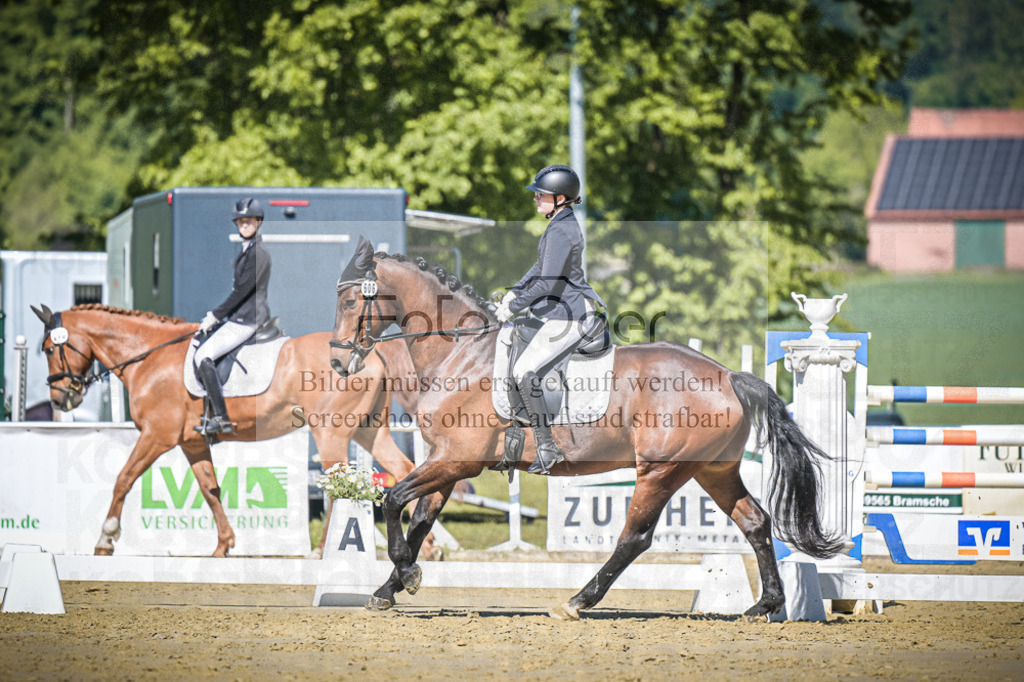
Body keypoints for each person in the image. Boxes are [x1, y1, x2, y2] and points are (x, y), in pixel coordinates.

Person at [494, 165, 605, 474]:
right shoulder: (559, 224)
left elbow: (546, 284)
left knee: (523, 369)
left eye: (540, 195)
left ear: (559, 198)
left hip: (570, 315)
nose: (536, 199)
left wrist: (513, 306)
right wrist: (513, 292)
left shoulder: (562, 229)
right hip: (558, 312)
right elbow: (539, 267)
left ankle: (546, 447)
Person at [193, 198, 272, 434]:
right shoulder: (247, 251)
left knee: (203, 356)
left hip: (248, 318)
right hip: (241, 316)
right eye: (240, 221)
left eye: (248, 221)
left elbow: (241, 292)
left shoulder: (259, 253)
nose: (244, 225)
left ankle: (222, 417)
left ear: (258, 222)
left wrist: (215, 316)